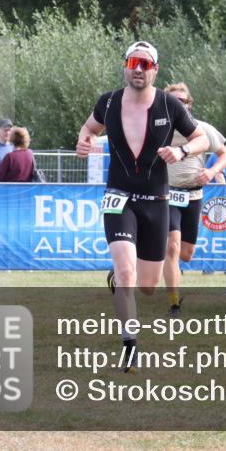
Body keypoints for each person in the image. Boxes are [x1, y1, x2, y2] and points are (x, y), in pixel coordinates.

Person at [75, 42, 208, 371]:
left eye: (146, 64)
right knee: (126, 272)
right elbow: (89, 128)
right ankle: (130, 346)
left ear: (155, 70)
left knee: (147, 286)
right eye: (134, 62)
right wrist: (83, 140)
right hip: (118, 196)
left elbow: (202, 138)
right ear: (124, 65)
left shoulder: (168, 104)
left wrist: (182, 152)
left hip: (157, 200)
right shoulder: (108, 102)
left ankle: (122, 278)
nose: (139, 68)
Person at [162, 82, 226, 318]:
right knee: (172, 246)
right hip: (167, 194)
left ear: (189, 104)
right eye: (172, 101)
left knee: (186, 254)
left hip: (193, 195)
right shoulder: (159, 129)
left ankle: (147, 250)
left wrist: (211, 172)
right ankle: (174, 304)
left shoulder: (202, 129)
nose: (178, 106)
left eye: (182, 101)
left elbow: (225, 155)